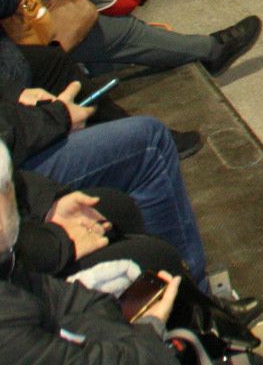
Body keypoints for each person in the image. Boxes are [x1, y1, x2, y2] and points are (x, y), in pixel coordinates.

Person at [0, 141, 182, 363]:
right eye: (7, 188)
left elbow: (66, 297)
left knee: (119, 213)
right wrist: (148, 334)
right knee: (156, 257)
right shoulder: (8, 329)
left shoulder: (6, 264)